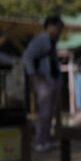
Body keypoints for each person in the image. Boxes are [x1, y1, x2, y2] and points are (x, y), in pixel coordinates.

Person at [22, 15, 64, 152]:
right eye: (57, 27)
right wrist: (34, 72)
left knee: (50, 111)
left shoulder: (52, 41)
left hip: (52, 79)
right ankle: (39, 140)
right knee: (44, 112)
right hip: (43, 80)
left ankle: (46, 139)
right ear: (49, 26)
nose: (59, 30)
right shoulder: (40, 40)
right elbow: (27, 56)